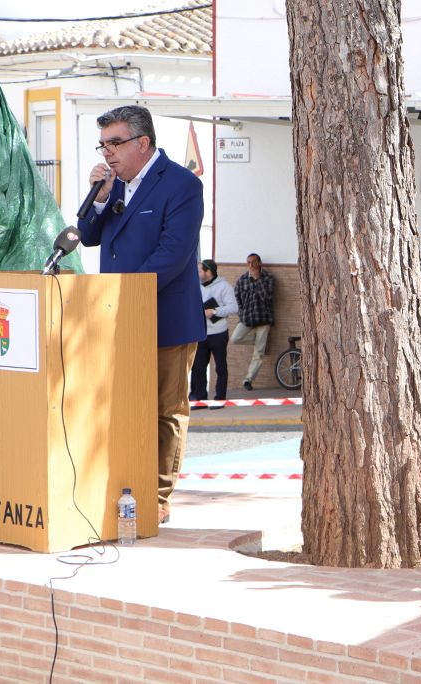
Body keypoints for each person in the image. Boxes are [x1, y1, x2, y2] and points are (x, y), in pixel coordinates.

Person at [78, 105, 205, 525]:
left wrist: (124, 295)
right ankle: (125, 482)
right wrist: (97, 198)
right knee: (123, 406)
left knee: (166, 411)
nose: (107, 153)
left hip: (165, 317)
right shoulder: (115, 184)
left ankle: (159, 494)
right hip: (118, 318)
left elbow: (171, 254)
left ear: (143, 142)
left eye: (115, 143)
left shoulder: (181, 184)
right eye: (104, 144)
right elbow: (90, 238)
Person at [190, 260, 238, 408]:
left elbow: (234, 308)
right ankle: (199, 398)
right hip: (200, 333)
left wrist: (215, 311)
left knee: (220, 367)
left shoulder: (224, 287)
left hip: (218, 333)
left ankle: (220, 399)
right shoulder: (195, 286)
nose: (198, 273)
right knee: (198, 367)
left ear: (208, 272)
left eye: (200, 271)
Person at [231, 253, 276, 392]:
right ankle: (260, 342)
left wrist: (258, 279)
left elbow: (268, 296)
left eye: (253, 262)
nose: (251, 265)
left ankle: (248, 380)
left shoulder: (268, 278)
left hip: (263, 319)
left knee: (258, 353)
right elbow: (237, 297)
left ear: (259, 263)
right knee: (235, 339)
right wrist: (241, 312)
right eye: (248, 262)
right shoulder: (242, 279)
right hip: (247, 319)